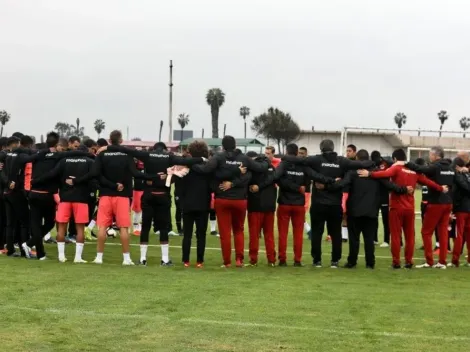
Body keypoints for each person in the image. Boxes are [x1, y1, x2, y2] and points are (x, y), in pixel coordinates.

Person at [101, 140, 205, 266]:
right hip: (163, 195)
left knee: (145, 227)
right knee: (163, 228)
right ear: (164, 149)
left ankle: (143, 259)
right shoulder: (169, 156)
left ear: (154, 149)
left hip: (148, 194)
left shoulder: (147, 155)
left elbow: (129, 150)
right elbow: (186, 161)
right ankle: (165, 259)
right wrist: (202, 159)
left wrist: (108, 147)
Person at [283, 139, 374, 268]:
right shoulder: (341, 161)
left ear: (321, 148)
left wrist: (319, 179)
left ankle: (317, 260)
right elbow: (365, 163)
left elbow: (298, 161)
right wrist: (372, 164)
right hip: (335, 203)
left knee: (317, 233)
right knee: (336, 233)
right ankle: (335, 261)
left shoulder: (316, 160)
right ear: (333, 147)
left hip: (318, 203)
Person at [71, 130, 156, 265]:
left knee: (102, 227)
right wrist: (153, 177)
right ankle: (126, 259)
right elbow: (135, 172)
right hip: (122, 196)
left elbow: (95, 174)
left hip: (105, 195)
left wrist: (78, 181)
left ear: (110, 141)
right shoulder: (126, 154)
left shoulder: (102, 154)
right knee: (123, 227)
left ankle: (99, 257)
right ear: (121, 141)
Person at [358, 148, 447, 269]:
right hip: (410, 208)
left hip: (396, 207)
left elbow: (385, 174)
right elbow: (428, 182)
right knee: (410, 236)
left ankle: (396, 262)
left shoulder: (396, 168)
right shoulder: (414, 171)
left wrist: (370, 174)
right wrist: (441, 188)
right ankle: (409, 261)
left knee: (395, 235)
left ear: (394, 159)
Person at [192, 136, 269, 267]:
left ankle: (227, 262)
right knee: (238, 230)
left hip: (222, 199)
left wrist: (191, 163)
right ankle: (239, 260)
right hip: (240, 200)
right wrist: (267, 160)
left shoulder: (218, 157)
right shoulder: (244, 158)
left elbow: (206, 170)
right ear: (235, 145)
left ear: (222, 146)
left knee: (225, 232)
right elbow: (260, 168)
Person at [339, 149, 409, 269]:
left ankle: (352, 261)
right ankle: (370, 263)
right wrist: (404, 189)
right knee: (369, 239)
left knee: (354, 239)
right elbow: (390, 186)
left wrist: (328, 184)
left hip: (354, 211)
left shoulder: (352, 172)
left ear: (357, 159)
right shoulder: (376, 173)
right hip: (371, 211)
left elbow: (343, 184)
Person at [31, 146, 95, 263]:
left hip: (65, 199)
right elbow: (94, 177)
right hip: (81, 199)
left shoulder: (63, 161)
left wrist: (36, 181)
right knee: (80, 229)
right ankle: (78, 257)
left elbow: (52, 174)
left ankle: (61, 256)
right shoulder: (89, 162)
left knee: (61, 228)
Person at [276, 143, 335, 266]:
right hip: (298, 204)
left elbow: (276, 178)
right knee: (298, 234)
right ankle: (297, 260)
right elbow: (315, 176)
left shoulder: (283, 164)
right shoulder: (303, 166)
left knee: (283, 233)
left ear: (287, 152)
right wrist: (331, 180)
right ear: (297, 153)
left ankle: (282, 259)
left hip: (285, 203)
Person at [406, 147, 454, 269]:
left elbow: (420, 169)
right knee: (443, 233)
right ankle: (442, 262)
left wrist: (407, 163)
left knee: (426, 232)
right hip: (448, 203)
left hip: (436, 203)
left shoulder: (435, 166)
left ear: (435, 155)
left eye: (430, 155)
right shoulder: (450, 168)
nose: (429, 157)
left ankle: (429, 261)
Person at [179, 140, 212, 267]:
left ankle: (185, 261)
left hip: (188, 203)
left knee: (187, 234)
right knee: (201, 235)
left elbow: (180, 186)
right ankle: (199, 261)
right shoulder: (208, 166)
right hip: (203, 204)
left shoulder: (186, 166)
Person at [245, 151, 277, 267]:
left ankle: (253, 260)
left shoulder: (252, 168)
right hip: (270, 205)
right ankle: (271, 260)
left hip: (255, 205)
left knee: (254, 234)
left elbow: (246, 182)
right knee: (269, 234)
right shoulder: (272, 167)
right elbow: (273, 179)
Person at [448, 157, 470, 267]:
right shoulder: (468, 174)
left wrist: (453, 208)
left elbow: (464, 189)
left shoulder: (458, 176)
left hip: (461, 209)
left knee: (459, 235)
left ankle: (455, 260)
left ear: (456, 166)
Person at [371, 150, 393, 247]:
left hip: (384, 194)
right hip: (375, 194)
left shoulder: (386, 163)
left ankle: (386, 240)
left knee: (385, 218)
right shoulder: (372, 165)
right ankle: (374, 239)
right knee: (374, 217)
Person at [298, 147, 312, 238]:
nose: (300, 155)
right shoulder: (296, 163)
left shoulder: (309, 164)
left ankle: (310, 231)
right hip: (297, 191)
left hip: (306, 192)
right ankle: (309, 231)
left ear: (306, 154)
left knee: (301, 213)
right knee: (300, 213)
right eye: (299, 153)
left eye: (302, 153)